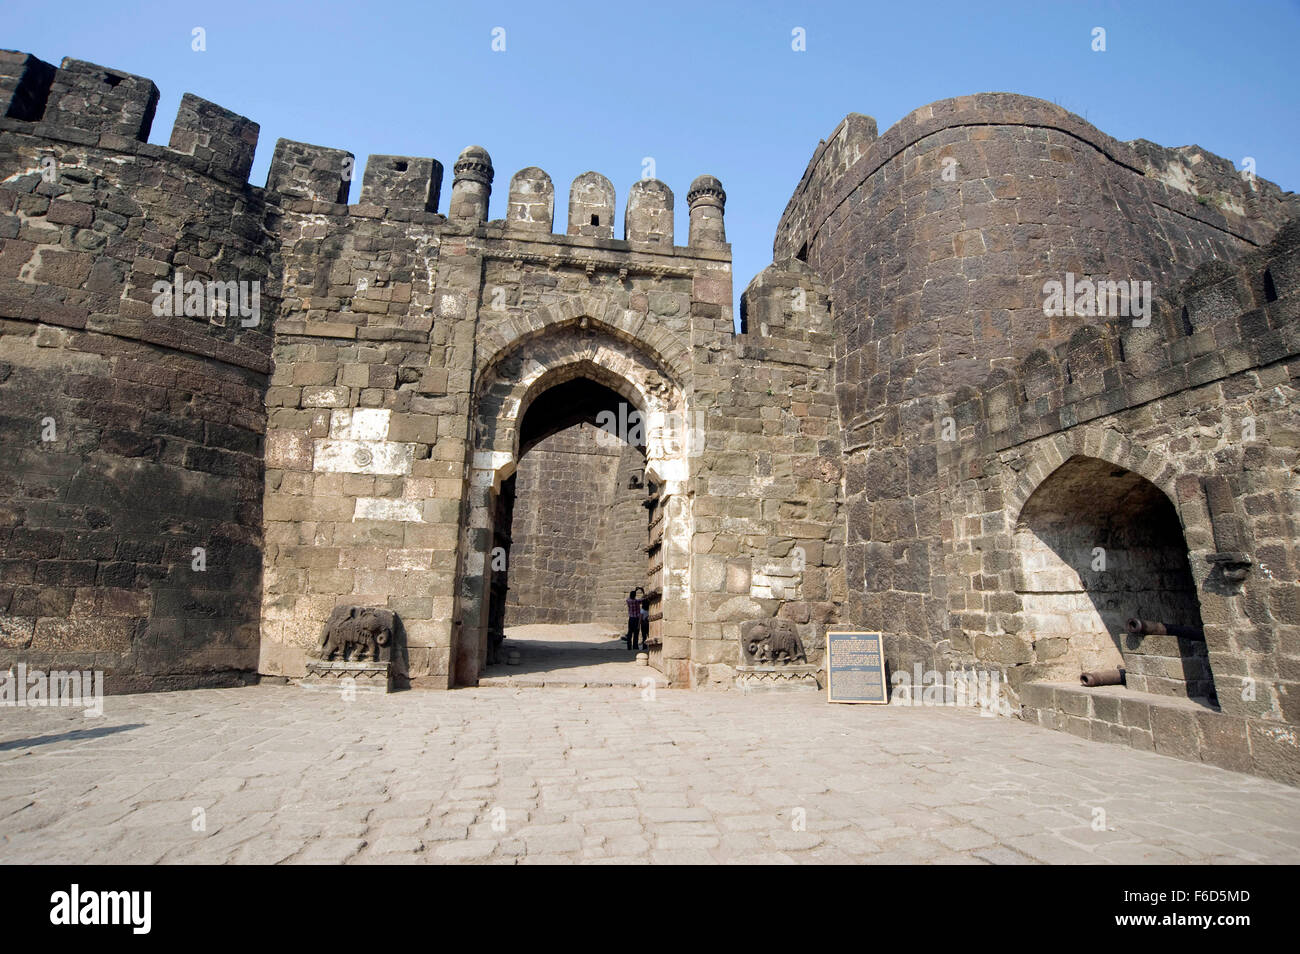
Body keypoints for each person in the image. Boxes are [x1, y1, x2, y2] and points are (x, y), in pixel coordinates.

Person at [637, 588, 650, 652]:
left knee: (644, 636)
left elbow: (640, 619)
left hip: (643, 624)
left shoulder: (642, 610)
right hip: (648, 623)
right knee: (649, 635)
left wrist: (638, 625)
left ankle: (644, 646)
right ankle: (650, 646)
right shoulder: (649, 610)